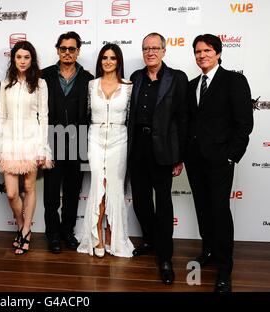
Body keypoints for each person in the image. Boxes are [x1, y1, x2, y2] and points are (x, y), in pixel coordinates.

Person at [185, 34, 253, 292]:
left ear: (218, 53)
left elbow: (244, 123)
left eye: (207, 50)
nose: (202, 55)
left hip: (220, 161)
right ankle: (209, 251)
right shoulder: (192, 85)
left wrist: (230, 156)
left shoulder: (234, 80)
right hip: (195, 159)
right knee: (202, 208)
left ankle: (225, 268)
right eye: (198, 51)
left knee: (220, 212)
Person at [127, 33, 188, 285]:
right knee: (140, 200)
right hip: (137, 147)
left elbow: (184, 119)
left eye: (155, 48)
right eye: (146, 48)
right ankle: (150, 241)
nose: (150, 52)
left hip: (163, 149)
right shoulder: (136, 78)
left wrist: (179, 156)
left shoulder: (177, 78)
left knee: (163, 204)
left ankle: (165, 257)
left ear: (164, 50)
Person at [0, 41, 52, 255]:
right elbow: (2, 116)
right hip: (9, 142)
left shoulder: (40, 83)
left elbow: (44, 117)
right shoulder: (6, 83)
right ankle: (21, 225)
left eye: (26, 57)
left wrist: (42, 148)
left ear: (32, 60)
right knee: (11, 193)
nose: (22, 61)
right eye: (19, 57)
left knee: (29, 189)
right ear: (13, 59)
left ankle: (26, 231)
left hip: (31, 141)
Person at [77, 43, 134, 258]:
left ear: (118, 61)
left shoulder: (129, 86)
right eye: (104, 58)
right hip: (95, 139)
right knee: (98, 187)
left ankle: (112, 235)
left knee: (115, 188)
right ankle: (96, 237)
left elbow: (131, 117)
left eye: (112, 58)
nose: (108, 61)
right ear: (100, 61)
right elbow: (85, 115)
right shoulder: (91, 85)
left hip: (120, 140)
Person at [41, 31, 94, 254]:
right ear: (57, 50)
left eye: (72, 49)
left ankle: (67, 231)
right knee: (51, 193)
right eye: (63, 48)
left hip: (78, 140)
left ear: (78, 51)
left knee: (73, 192)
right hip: (51, 140)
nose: (67, 53)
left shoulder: (89, 79)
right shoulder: (44, 76)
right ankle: (52, 234)